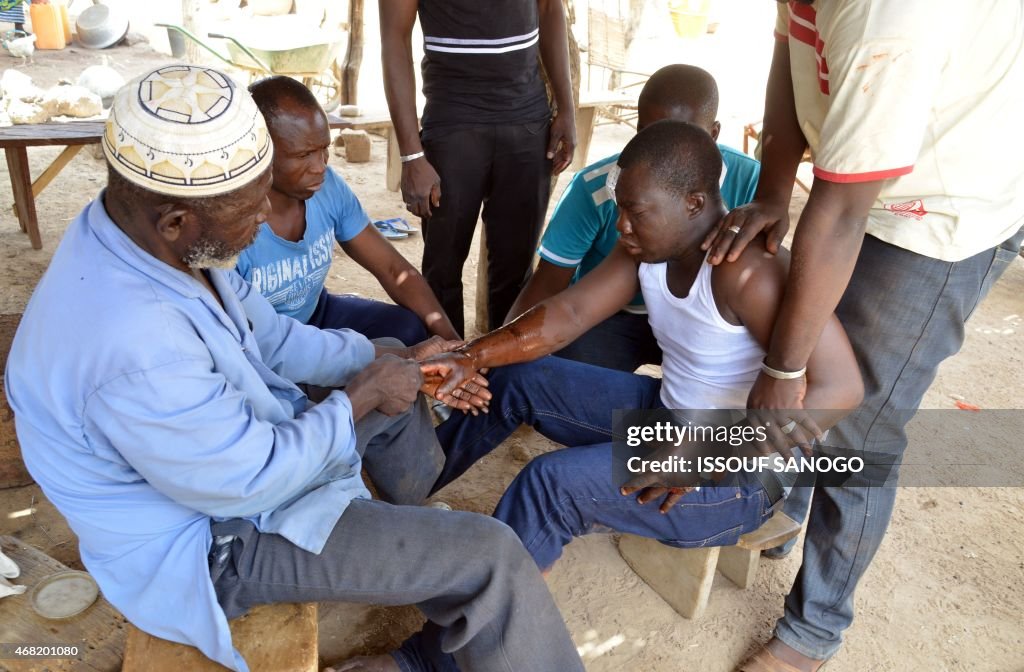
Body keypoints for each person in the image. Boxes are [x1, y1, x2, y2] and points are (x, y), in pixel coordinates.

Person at [4, 65, 583, 672]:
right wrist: (358, 397)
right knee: (498, 545)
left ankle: (403, 527)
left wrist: (389, 361)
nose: (263, 221)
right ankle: (415, 581)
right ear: (177, 222)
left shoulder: (151, 232)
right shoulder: (131, 343)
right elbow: (253, 479)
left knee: (392, 359)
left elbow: (273, 335)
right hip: (213, 540)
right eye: (251, 209)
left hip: (240, 464)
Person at [340, 121, 862, 672]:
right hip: (668, 420)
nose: (622, 225)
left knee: (549, 486)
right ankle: (403, 495)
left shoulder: (749, 273)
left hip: (734, 478)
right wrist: (473, 356)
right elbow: (567, 314)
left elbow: (842, 389)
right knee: (519, 378)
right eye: (619, 208)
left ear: (695, 203)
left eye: (636, 211)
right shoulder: (650, 249)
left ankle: (428, 659)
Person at [697, 2, 1024, 670]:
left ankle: (813, 631)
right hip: (866, 181)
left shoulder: (892, 14)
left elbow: (842, 211)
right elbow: (789, 57)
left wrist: (785, 371)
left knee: (862, 423)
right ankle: (787, 513)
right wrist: (775, 189)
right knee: (814, 358)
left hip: (939, 207)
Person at [505, 63, 761, 372]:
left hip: (703, 321)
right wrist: (502, 361)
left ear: (714, 133)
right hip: (613, 317)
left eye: (678, 137)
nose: (622, 225)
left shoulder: (751, 182)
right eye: (647, 133)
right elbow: (551, 293)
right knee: (564, 367)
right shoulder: (595, 190)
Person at [380, 0, 576, 336]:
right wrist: (412, 156)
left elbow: (548, 9)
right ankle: (450, 373)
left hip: (528, 122)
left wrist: (567, 107)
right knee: (442, 270)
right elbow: (393, 41)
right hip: (453, 126)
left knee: (515, 272)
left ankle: (503, 375)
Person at [236, 76, 459, 346]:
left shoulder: (328, 187)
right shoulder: (233, 225)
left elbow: (391, 268)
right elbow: (244, 343)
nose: (320, 166)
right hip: (264, 342)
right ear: (261, 151)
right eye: (304, 155)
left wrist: (452, 341)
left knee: (409, 329)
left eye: (324, 149)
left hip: (317, 314)